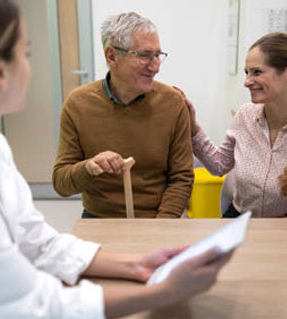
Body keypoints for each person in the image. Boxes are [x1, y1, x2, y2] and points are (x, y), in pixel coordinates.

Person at [0, 1, 233, 319]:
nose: (155, 65)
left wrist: (138, 264)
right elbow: (31, 313)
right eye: (27, 53)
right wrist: (163, 293)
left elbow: (37, 241)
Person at [179, 32, 287, 218]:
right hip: (237, 220)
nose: (247, 82)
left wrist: (263, 234)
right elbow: (219, 165)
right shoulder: (245, 116)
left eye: (257, 72)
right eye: (247, 73)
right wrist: (193, 126)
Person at [52, 12, 194, 218]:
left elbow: (181, 178)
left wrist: (162, 226)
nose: (156, 66)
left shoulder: (172, 103)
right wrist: (89, 168)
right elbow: (61, 183)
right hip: (99, 218)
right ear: (112, 56)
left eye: (158, 55)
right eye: (145, 55)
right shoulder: (78, 104)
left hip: (158, 219)